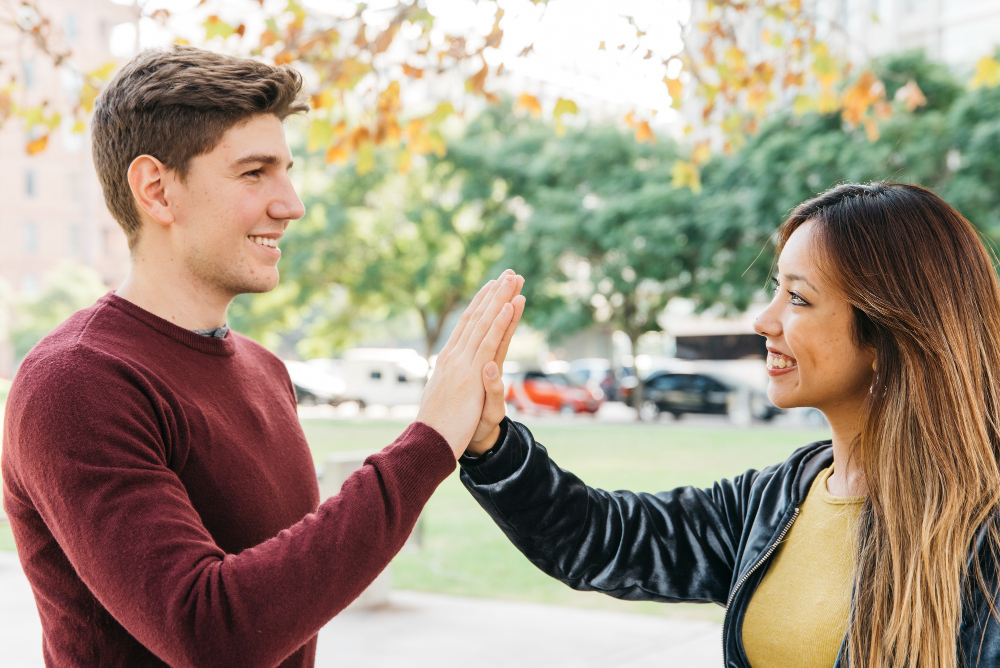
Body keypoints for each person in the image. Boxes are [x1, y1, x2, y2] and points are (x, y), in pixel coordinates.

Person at [0, 46, 525, 668]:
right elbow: (211, 634)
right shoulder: (77, 382)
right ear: (157, 190)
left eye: (287, 170)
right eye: (255, 173)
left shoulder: (265, 370)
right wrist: (429, 442)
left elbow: (289, 599)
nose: (291, 204)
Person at [461, 182, 1000, 667]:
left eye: (797, 297)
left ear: (887, 337)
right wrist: (491, 444)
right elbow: (599, 538)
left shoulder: (984, 537)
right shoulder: (775, 501)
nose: (763, 321)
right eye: (775, 289)